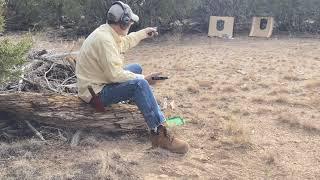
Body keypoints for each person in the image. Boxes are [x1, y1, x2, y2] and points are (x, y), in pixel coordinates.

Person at [76, 1, 189, 154]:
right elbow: (114, 75)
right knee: (140, 84)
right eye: (130, 22)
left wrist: (143, 33)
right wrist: (144, 78)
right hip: (95, 95)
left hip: (98, 82)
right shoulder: (105, 40)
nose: (130, 25)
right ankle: (159, 134)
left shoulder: (107, 33)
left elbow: (125, 42)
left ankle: (139, 102)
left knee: (136, 68)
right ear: (124, 22)